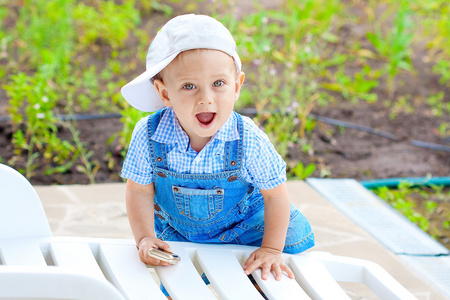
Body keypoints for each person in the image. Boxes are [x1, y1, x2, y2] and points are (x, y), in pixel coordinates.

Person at [120, 14, 314, 284]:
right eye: (189, 86)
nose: (205, 98)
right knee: (179, 282)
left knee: (286, 235)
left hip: (245, 227)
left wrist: (271, 248)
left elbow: (275, 195)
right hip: (181, 232)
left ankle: (255, 279)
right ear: (165, 94)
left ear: (236, 85)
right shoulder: (149, 135)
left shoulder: (247, 138)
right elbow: (138, 190)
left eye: (218, 84)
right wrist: (144, 237)